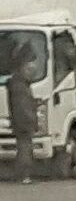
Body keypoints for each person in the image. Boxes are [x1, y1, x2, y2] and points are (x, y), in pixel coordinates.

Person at [4, 42, 38, 184]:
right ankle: (23, 175)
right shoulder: (19, 86)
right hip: (23, 124)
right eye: (30, 64)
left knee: (24, 149)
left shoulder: (19, 84)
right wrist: (32, 121)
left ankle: (23, 175)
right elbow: (23, 107)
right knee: (25, 150)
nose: (32, 68)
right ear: (23, 66)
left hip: (21, 123)